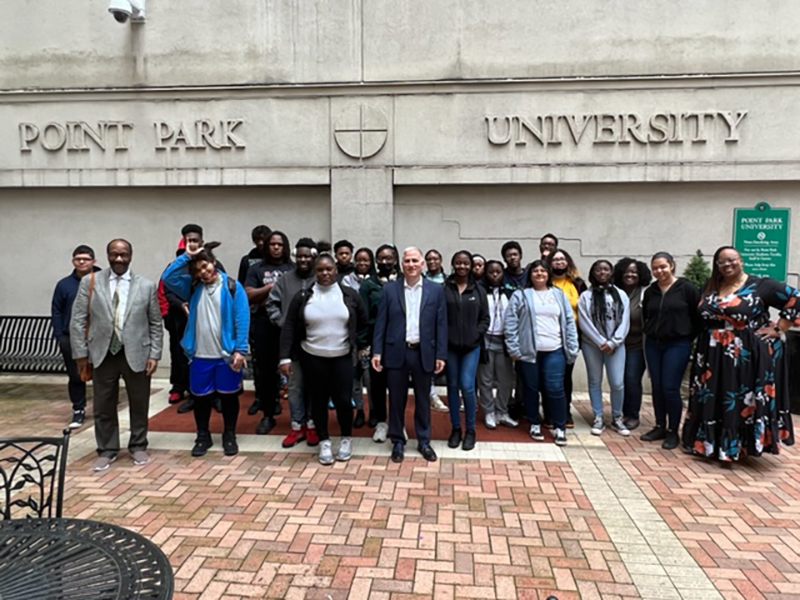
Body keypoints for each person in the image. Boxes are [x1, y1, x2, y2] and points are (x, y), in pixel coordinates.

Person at [682, 246, 798, 461]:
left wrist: (779, 328)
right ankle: (709, 444)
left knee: (738, 399)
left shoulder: (760, 285)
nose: (727, 265)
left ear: (741, 260)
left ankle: (737, 447)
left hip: (744, 354)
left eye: (731, 260)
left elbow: (795, 298)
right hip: (711, 353)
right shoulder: (712, 286)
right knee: (713, 397)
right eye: (722, 262)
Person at [70, 239, 163, 472]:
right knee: (103, 404)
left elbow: (155, 323)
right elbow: (78, 319)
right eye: (114, 254)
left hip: (137, 352)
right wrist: (81, 353)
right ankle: (107, 449)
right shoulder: (90, 282)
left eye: (123, 254)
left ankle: (138, 445)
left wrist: (155, 353)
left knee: (139, 402)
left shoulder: (146, 286)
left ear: (130, 256)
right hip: (102, 353)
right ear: (107, 256)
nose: (119, 259)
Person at [162, 242, 250, 457]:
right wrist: (186, 256)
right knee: (201, 398)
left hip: (226, 356)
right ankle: (203, 435)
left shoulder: (232, 286)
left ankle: (229, 434)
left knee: (229, 398)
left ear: (213, 263)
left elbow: (242, 318)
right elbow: (168, 278)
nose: (203, 272)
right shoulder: (191, 287)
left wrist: (240, 349)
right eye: (198, 270)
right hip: (200, 355)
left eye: (205, 266)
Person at [280, 254, 368, 465]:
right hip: (313, 357)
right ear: (315, 271)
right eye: (320, 270)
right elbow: (290, 326)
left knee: (344, 401)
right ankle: (324, 441)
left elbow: (364, 322)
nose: (325, 273)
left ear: (336, 270)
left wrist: (361, 347)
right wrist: (284, 357)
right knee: (318, 401)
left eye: (329, 269)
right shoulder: (303, 296)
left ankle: (346, 438)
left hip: (342, 357)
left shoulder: (349, 295)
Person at [372, 247, 447, 463]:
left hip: (424, 352)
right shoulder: (389, 290)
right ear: (401, 264)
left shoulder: (435, 290)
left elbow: (441, 324)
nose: (411, 264)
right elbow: (381, 323)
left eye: (415, 260)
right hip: (397, 352)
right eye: (407, 261)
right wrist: (377, 351)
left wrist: (440, 354)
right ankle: (397, 440)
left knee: (423, 399)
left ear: (422, 263)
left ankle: (424, 441)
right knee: (396, 400)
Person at [504, 260, 579, 446]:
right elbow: (511, 323)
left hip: (555, 350)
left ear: (548, 274)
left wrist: (572, 346)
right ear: (530, 275)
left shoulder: (558, 295)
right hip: (529, 352)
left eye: (543, 271)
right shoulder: (521, 295)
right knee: (531, 388)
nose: (539, 274)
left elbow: (569, 322)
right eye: (535, 271)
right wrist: (513, 348)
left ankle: (559, 427)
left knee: (555, 388)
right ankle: (534, 423)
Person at [640, 252, 701, 449]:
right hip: (653, 344)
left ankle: (673, 431)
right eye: (655, 268)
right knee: (657, 386)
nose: (659, 271)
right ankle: (659, 426)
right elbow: (646, 316)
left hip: (678, 344)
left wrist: (686, 337)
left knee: (670, 387)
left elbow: (698, 317)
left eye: (663, 266)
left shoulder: (687, 288)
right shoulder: (651, 291)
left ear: (672, 266)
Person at [268, 238, 318, 447]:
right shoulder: (285, 280)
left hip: (317, 344)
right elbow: (272, 305)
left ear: (314, 257)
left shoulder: (322, 278)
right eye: (300, 256)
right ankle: (297, 427)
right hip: (293, 346)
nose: (304, 260)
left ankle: (313, 425)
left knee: (315, 387)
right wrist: (284, 323)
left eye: (308, 256)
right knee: (295, 387)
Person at [244, 231, 293, 430]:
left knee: (294, 370)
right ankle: (268, 414)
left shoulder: (293, 268)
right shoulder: (257, 269)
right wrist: (272, 287)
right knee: (265, 372)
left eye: (279, 244)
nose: (275, 247)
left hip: (288, 325)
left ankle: (301, 418)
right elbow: (248, 294)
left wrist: (264, 294)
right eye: (272, 244)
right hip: (263, 323)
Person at [578, 259, 631, 437]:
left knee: (617, 382)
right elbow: (584, 321)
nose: (602, 273)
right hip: (592, 345)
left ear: (611, 272)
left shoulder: (621, 295)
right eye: (598, 270)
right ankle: (598, 417)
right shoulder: (586, 296)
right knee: (595, 381)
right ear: (593, 273)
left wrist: (613, 342)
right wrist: (600, 341)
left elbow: (625, 321)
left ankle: (617, 417)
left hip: (616, 345)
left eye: (606, 269)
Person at [444, 251, 489, 451]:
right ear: (453, 265)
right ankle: (455, 429)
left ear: (471, 266)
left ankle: (470, 430)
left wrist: (475, 336)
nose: (462, 266)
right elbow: (439, 317)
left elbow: (485, 319)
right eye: (458, 263)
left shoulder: (478, 290)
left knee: (467, 385)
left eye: (465, 263)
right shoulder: (444, 288)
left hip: (472, 347)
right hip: (450, 347)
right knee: (452, 387)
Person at [52, 245, 100, 429]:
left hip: (97, 336)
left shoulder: (101, 279)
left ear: (93, 261)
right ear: (73, 261)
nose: (81, 262)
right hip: (70, 337)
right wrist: (59, 335)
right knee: (75, 375)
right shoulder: (64, 284)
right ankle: (78, 410)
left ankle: (102, 410)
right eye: (78, 259)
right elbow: (56, 310)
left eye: (86, 259)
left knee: (101, 375)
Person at [360, 244, 400, 439]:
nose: (384, 262)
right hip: (376, 344)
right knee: (377, 385)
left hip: (400, 343)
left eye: (388, 258)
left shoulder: (403, 281)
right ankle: (381, 420)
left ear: (395, 259)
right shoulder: (369, 285)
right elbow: (363, 316)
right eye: (380, 259)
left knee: (398, 385)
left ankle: (397, 422)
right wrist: (364, 345)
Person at [548, 249, 587, 428]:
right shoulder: (544, 282)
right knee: (550, 376)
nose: (559, 262)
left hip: (572, 336)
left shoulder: (577, 284)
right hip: (550, 335)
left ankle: (565, 411)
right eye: (555, 259)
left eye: (562, 259)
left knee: (566, 376)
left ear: (568, 262)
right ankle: (549, 412)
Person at [613, 257, 652, 431]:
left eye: (634, 272)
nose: (630, 275)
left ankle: (632, 414)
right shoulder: (614, 292)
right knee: (618, 380)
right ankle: (619, 412)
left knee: (631, 378)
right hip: (616, 345)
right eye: (626, 271)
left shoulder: (645, 292)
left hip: (636, 345)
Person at [478, 260, 518, 429]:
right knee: (485, 379)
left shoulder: (510, 293)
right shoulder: (480, 292)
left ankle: (502, 411)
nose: (495, 275)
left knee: (506, 379)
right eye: (491, 272)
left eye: (498, 272)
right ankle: (489, 411)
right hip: (485, 340)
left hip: (504, 341)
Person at [341, 247, 377, 428]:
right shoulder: (347, 280)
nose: (362, 263)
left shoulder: (376, 282)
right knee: (354, 378)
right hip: (351, 337)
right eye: (359, 260)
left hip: (370, 338)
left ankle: (373, 411)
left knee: (370, 378)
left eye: (366, 260)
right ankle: (360, 410)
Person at [422, 249, 449, 412]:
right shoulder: (421, 279)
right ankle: (430, 394)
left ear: (441, 260)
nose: (432, 262)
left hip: (443, 323)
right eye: (429, 259)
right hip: (425, 326)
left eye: (435, 259)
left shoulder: (447, 280)